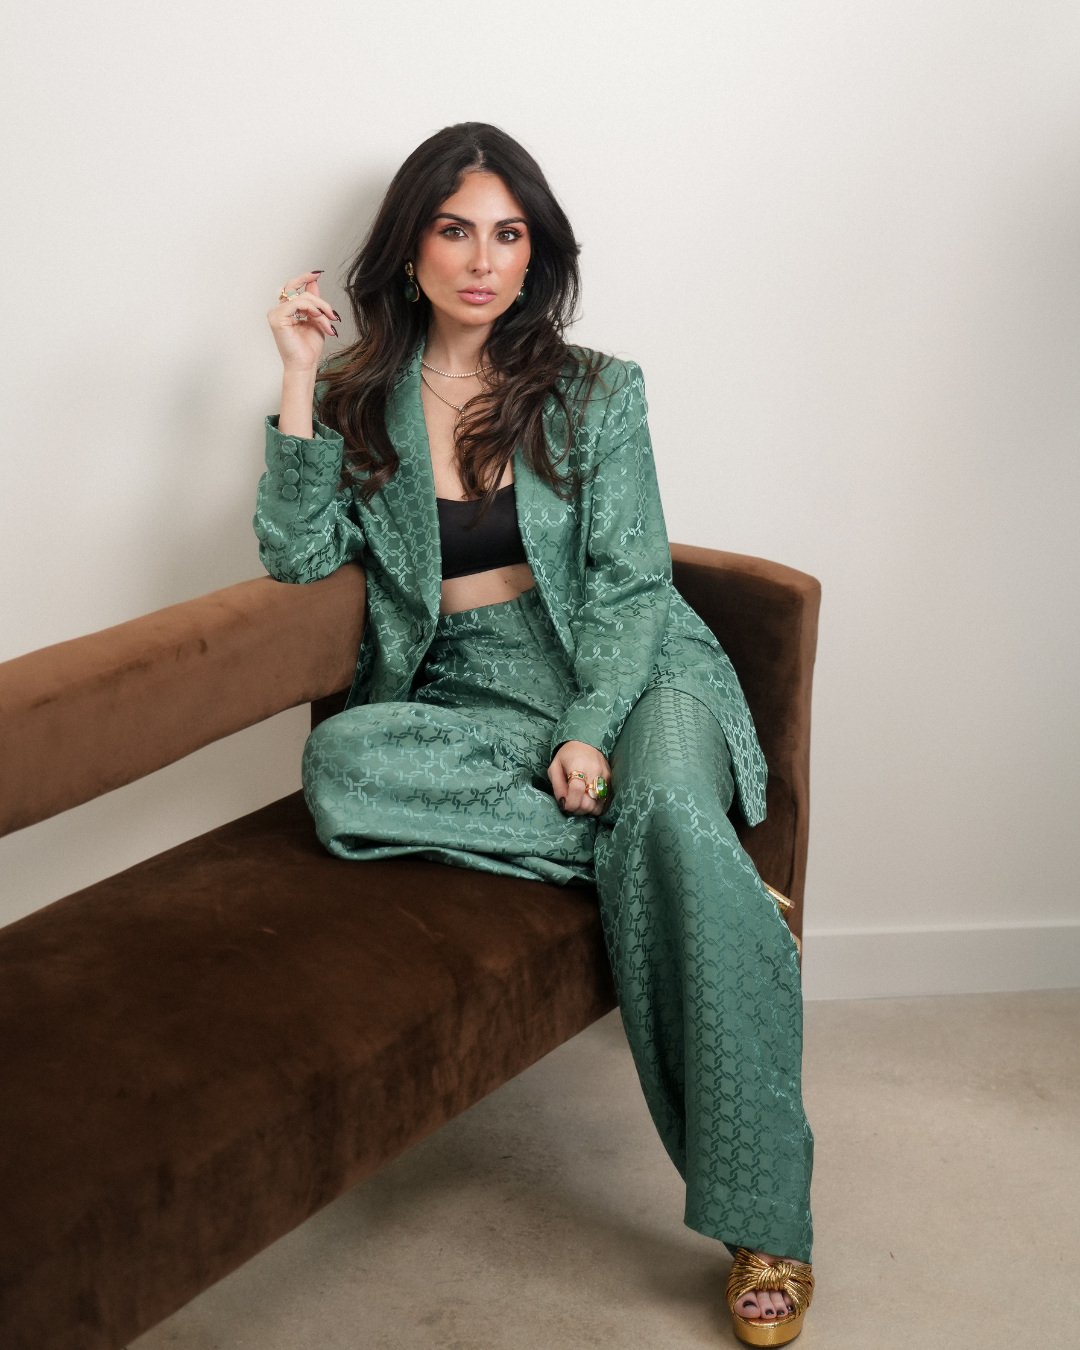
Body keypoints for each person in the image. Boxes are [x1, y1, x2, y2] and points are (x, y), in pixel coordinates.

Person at [255, 122, 814, 1346]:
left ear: (534, 253)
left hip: (638, 669)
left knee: (658, 793)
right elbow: (297, 557)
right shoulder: (358, 396)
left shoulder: (599, 388)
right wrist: (296, 375)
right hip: (473, 688)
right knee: (342, 765)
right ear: (410, 249)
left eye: (508, 235)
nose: (482, 260)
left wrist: (590, 727)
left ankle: (765, 1224)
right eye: (455, 230)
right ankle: (702, 870)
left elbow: (629, 583)